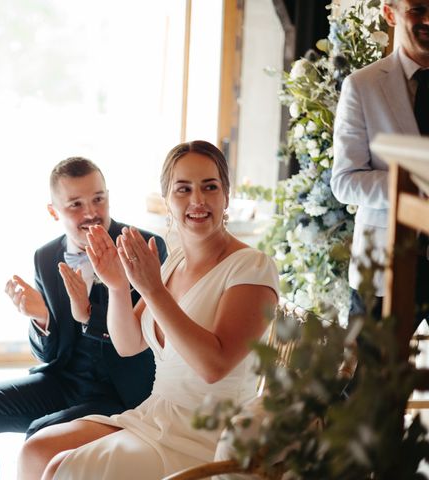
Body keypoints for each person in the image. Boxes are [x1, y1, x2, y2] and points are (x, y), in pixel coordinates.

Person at [17, 140, 279, 480]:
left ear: (225, 196)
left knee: (62, 468)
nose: (197, 200)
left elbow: (214, 366)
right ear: (168, 201)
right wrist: (116, 285)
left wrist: (153, 289)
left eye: (209, 187)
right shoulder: (175, 263)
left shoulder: (251, 267)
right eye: (183, 189)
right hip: (154, 413)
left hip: (204, 431)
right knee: (35, 451)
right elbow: (128, 345)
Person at [0, 157, 167, 480]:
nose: (91, 212)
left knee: (40, 434)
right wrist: (41, 318)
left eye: (98, 199)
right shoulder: (46, 256)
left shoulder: (144, 247)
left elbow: (139, 341)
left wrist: (88, 314)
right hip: (64, 381)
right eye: (76, 204)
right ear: (54, 212)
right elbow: (50, 354)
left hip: (122, 391)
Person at [331, 0, 429, 322]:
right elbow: (345, 181)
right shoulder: (363, 85)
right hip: (384, 265)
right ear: (390, 13)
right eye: (418, 9)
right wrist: (414, 186)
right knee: (373, 373)